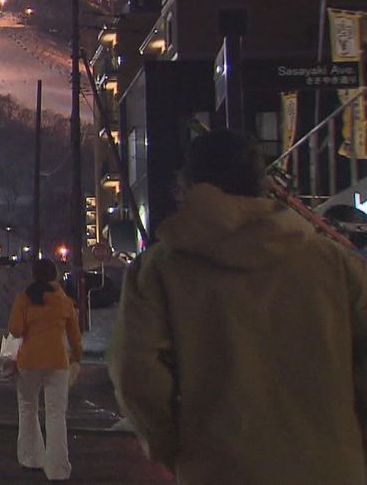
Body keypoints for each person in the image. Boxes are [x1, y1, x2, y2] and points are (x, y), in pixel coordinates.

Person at [109, 129, 367, 484]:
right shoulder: (331, 262)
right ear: (260, 180)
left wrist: (175, 447)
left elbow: (136, 373)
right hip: (332, 464)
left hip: (219, 465)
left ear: (189, 181)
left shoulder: (160, 270)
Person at [7, 257, 82, 481]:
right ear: (55, 276)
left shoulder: (24, 299)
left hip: (29, 361)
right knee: (56, 414)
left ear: (34, 276)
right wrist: (77, 357)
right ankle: (58, 468)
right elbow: (75, 337)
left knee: (28, 408)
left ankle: (31, 458)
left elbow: (16, 329)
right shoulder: (64, 301)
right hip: (58, 362)